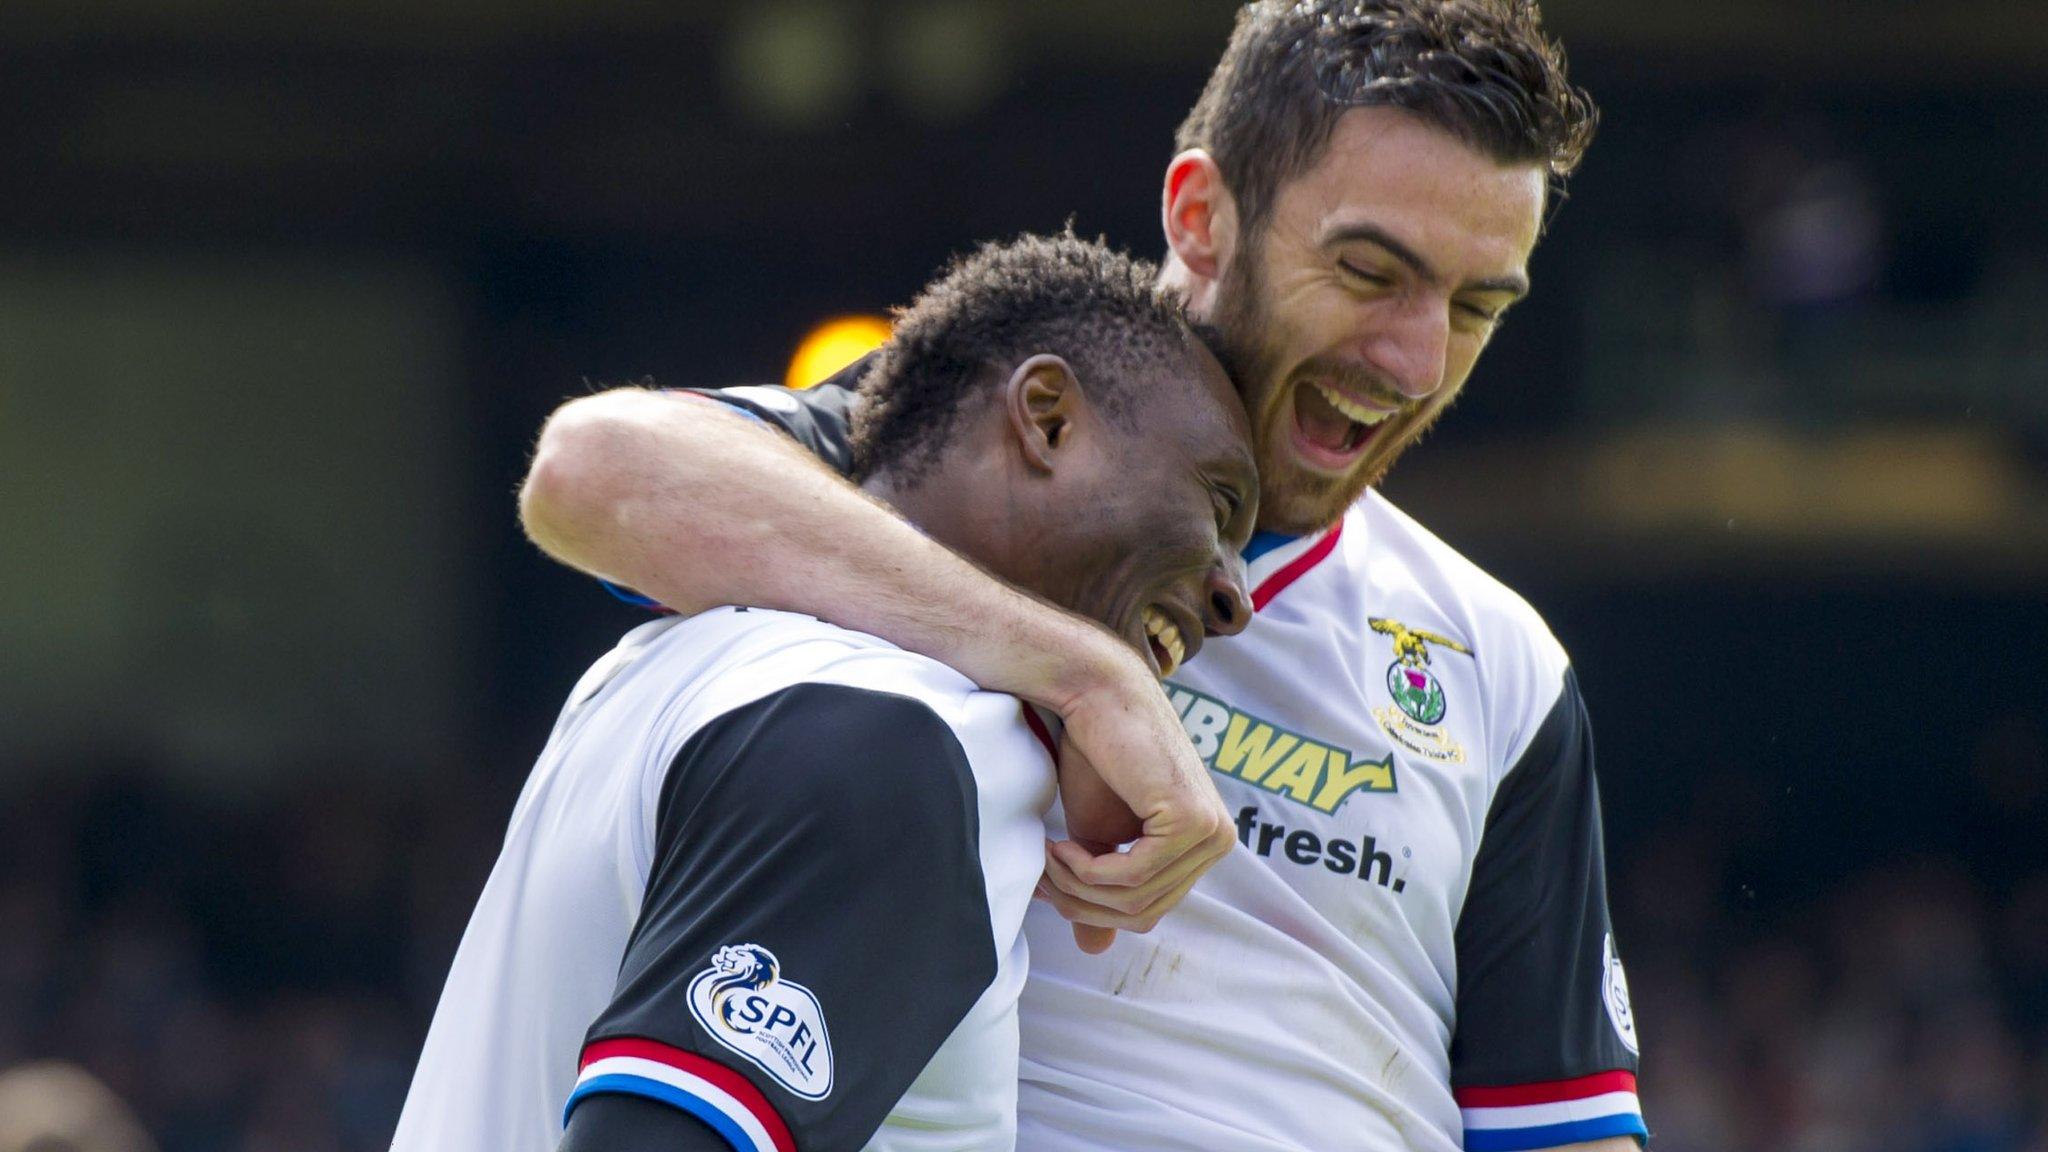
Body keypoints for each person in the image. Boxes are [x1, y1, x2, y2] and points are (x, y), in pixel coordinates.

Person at [519, 2, 1645, 1150]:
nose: (1413, 361)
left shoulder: (1497, 664)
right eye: (1367, 272)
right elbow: (592, 471)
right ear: (1201, 217)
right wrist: (1088, 677)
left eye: (1471, 309)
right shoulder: (985, 462)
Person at [393, 233, 1258, 1152]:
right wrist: (1090, 671)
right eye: (1218, 504)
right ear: (1046, 418)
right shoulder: (897, 741)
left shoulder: (675, 659)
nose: (1235, 597)